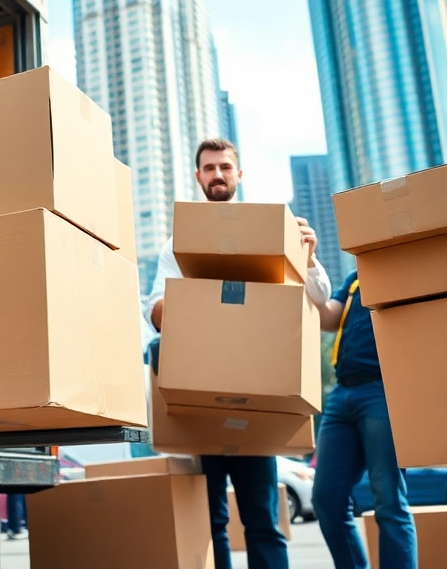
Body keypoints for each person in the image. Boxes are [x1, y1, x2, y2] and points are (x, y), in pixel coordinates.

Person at [143, 138, 333, 569]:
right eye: (209, 169)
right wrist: (205, 299)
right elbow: (155, 312)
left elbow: (319, 296)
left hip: (257, 396)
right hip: (199, 397)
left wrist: (307, 253)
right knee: (211, 523)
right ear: (198, 177)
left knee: (263, 522)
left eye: (225, 167)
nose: (217, 175)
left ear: (238, 174)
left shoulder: (274, 230)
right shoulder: (178, 242)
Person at [313, 272, 417, 568]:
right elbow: (326, 318)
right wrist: (306, 267)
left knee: (388, 501)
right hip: (342, 392)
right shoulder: (356, 276)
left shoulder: (405, 263)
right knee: (326, 499)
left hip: (384, 388)